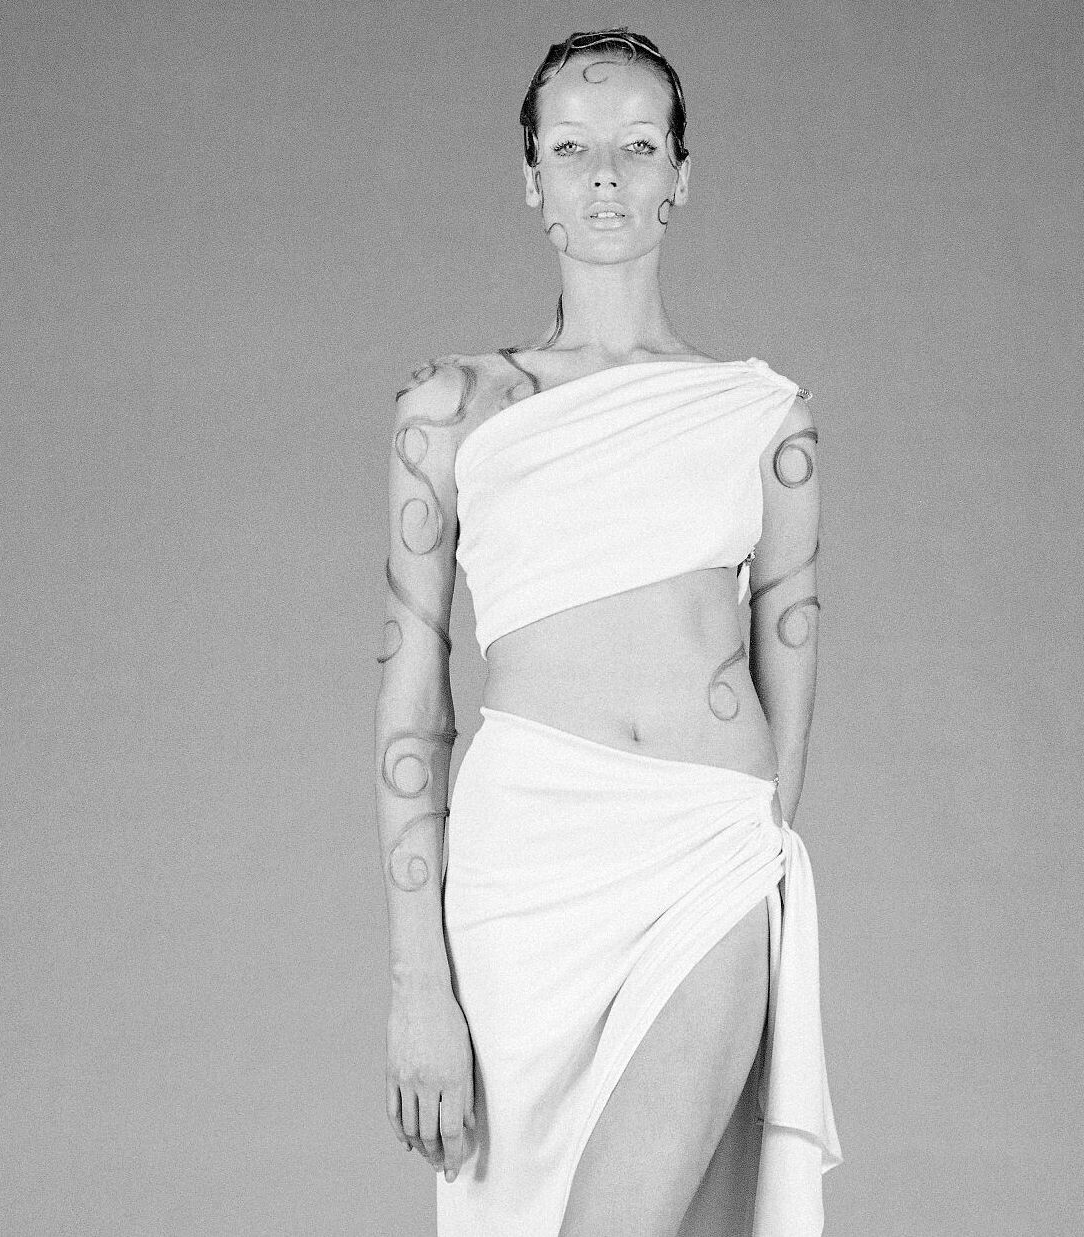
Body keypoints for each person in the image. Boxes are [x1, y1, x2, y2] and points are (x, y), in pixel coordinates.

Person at [375, 29, 841, 1236]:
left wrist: (747, 854)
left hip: (702, 856)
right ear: (530, 178)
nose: (604, 176)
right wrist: (418, 978)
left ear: (681, 175)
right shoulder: (449, 409)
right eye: (572, 148)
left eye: (637, 147)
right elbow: (414, 698)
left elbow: (789, 677)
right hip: (524, 869)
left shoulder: (762, 414)